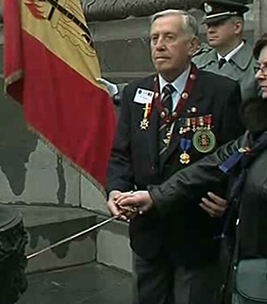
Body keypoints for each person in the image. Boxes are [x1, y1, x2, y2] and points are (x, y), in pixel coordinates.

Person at [115, 25, 267, 303]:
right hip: (248, 277)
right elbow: (217, 162)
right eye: (259, 67)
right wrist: (155, 197)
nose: (259, 75)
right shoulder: (266, 126)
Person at [106, 9, 244, 304]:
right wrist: (115, 190)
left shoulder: (222, 92)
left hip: (196, 231)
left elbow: (236, 156)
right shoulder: (135, 92)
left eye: (169, 37)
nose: (159, 45)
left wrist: (230, 198)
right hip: (148, 234)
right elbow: (120, 155)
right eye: (154, 38)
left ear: (193, 46)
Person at [193, 0, 258, 102]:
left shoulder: (257, 64)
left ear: (237, 27)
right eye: (209, 25)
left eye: (217, 24)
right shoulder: (196, 63)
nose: (210, 30)